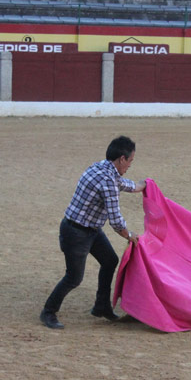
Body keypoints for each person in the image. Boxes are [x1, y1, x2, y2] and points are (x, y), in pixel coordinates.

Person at [40, 136, 146, 329]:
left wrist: (140, 187)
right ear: (122, 159)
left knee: (110, 260)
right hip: (76, 233)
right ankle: (48, 312)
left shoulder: (101, 167)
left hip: (89, 228)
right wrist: (130, 235)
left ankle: (101, 306)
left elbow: (120, 183)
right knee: (73, 277)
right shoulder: (107, 180)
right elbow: (115, 219)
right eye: (130, 160)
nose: (130, 164)